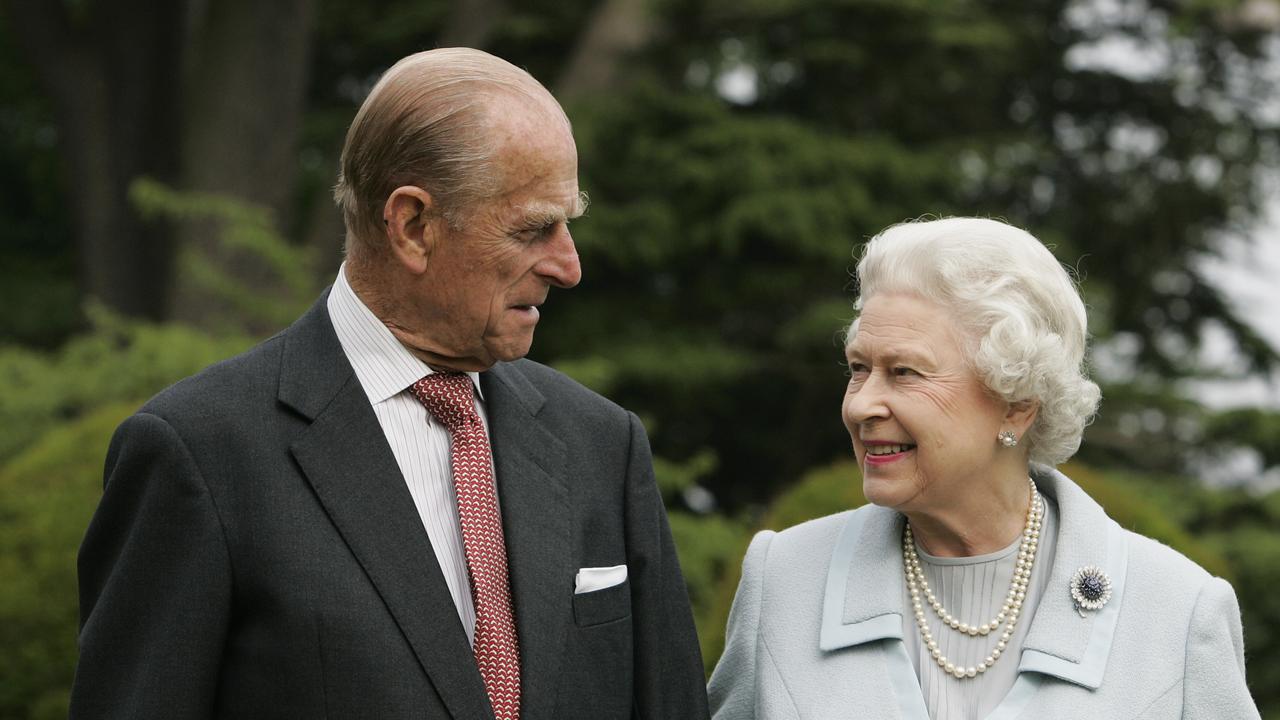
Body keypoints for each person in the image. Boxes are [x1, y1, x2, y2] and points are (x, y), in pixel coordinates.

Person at [70, 48, 709, 720]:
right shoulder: (199, 452)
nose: (568, 266)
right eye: (533, 229)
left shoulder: (603, 445)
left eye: (567, 225)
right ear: (412, 225)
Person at [707, 217, 1260, 719]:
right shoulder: (783, 580)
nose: (859, 405)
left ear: (1017, 403)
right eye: (858, 368)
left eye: (904, 372)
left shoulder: (1177, 610)